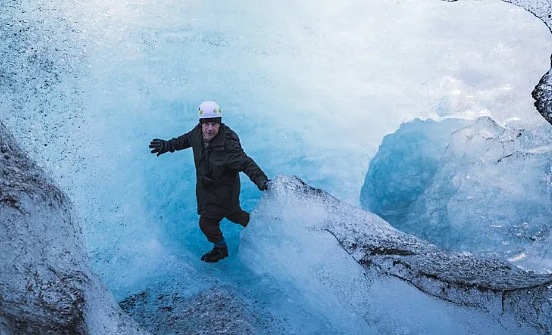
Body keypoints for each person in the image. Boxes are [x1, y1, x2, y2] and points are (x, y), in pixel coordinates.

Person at [149, 101, 269, 263]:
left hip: (224, 190)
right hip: (208, 188)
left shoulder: (228, 145)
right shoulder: (197, 133)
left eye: (214, 124)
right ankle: (262, 227)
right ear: (201, 123)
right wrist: (166, 145)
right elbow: (185, 140)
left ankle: (220, 249)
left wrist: (261, 180)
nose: (210, 128)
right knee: (233, 214)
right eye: (206, 124)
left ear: (219, 124)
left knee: (207, 223)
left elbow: (246, 163)